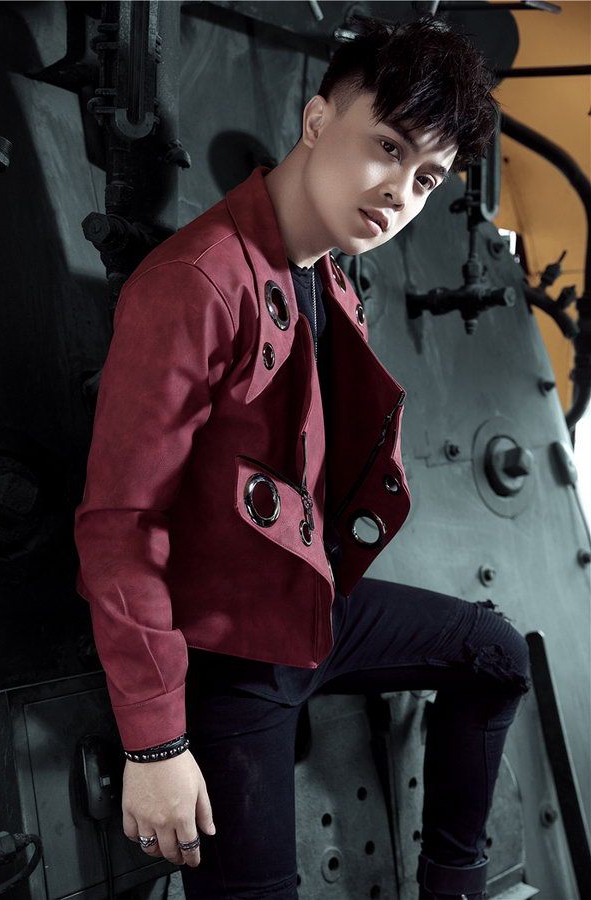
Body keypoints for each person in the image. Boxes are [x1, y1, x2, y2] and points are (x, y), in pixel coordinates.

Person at [73, 14, 533, 900]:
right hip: (232, 653)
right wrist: (156, 744)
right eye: (387, 147)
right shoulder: (195, 282)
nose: (399, 193)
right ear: (318, 121)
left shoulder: (325, 274)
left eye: (426, 177)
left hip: (311, 611)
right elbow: (121, 526)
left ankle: (455, 887)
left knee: (497, 655)